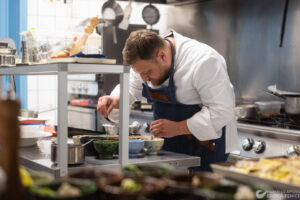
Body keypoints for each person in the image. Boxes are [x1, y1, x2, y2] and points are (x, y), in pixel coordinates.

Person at [97, 29, 238, 171]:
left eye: (147, 73)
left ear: (162, 56)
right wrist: (115, 98)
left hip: (205, 146)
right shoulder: (145, 58)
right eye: (139, 73)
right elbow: (132, 87)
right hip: (169, 146)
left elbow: (222, 111)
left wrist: (177, 128)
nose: (144, 79)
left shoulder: (204, 61)